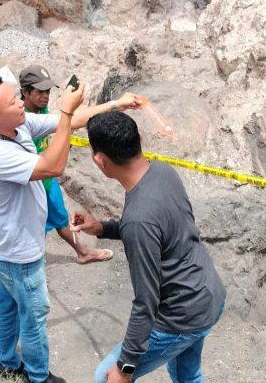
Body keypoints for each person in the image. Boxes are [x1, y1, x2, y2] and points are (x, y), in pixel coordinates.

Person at [0, 74, 142, 383]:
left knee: (8, 304)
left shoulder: (16, 126)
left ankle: (6, 362)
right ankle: (37, 377)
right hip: (17, 253)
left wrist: (116, 104)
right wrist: (64, 112)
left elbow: (73, 121)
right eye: (13, 101)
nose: (21, 102)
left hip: (2, 245)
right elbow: (52, 165)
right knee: (33, 316)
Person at [71, 112, 227, 383]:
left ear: (100, 160)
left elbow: (146, 302)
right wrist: (103, 228)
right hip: (209, 295)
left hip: (181, 317)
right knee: (187, 375)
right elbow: (157, 230)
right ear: (139, 139)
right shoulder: (162, 172)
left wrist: (125, 368)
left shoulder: (138, 219)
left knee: (104, 378)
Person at [19, 64, 114, 265]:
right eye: (39, 92)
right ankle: (33, 264)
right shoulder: (22, 121)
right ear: (25, 93)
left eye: (47, 91)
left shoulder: (41, 109)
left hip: (48, 180)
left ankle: (83, 252)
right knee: (36, 225)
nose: (45, 96)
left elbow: (64, 123)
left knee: (60, 217)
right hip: (34, 181)